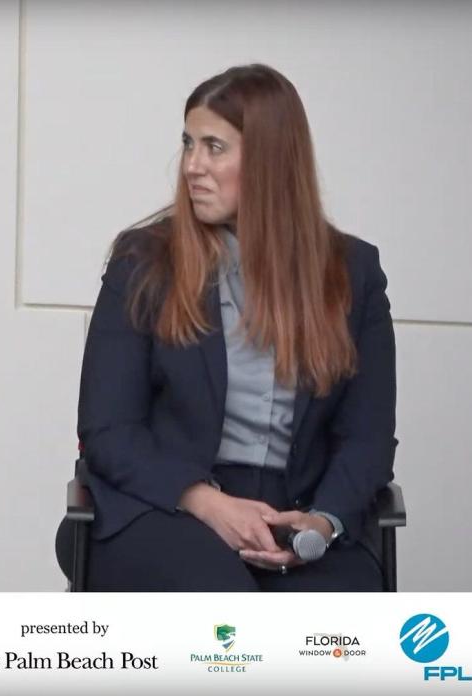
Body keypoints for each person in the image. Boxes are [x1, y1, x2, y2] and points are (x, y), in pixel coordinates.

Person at [57, 64, 396, 591]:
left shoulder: (353, 273)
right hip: (164, 503)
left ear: (270, 161)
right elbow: (107, 430)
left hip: (296, 511)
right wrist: (206, 502)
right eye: (188, 143)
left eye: (214, 147)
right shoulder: (145, 261)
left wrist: (323, 522)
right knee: (229, 615)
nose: (192, 166)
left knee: (335, 625)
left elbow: (367, 438)